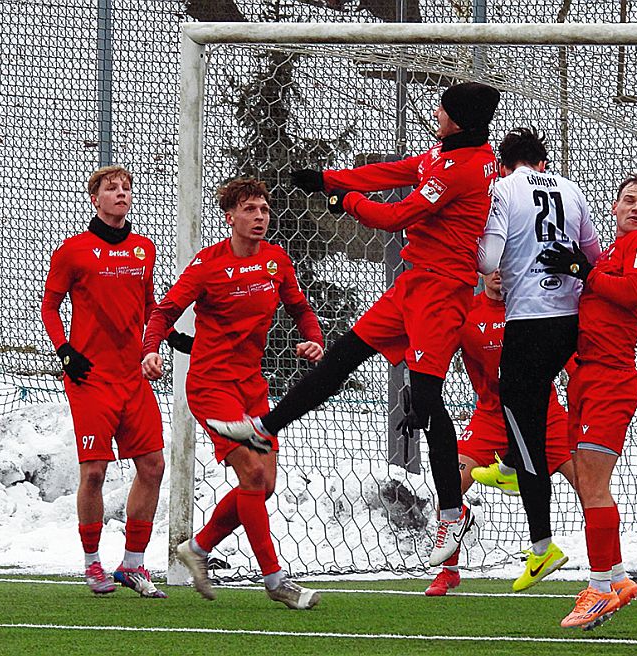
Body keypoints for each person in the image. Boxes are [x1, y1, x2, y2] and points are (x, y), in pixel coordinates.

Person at [207, 82, 500, 569]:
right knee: (342, 355)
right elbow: (391, 171)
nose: (436, 112)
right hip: (413, 285)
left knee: (427, 401)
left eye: (443, 109)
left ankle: (452, 513)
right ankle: (263, 429)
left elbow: (396, 215)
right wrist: (329, 180)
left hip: (442, 292)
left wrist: (346, 201)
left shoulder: (464, 167)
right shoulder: (448, 154)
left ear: (460, 120)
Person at [142, 178, 325, 609]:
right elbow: (165, 311)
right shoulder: (208, 265)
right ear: (230, 217)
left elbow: (299, 307)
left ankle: (198, 548)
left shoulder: (275, 262)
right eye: (249, 210)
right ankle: (276, 581)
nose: (260, 217)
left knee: (265, 484)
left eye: (264, 209)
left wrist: (313, 339)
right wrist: (150, 349)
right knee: (254, 475)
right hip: (211, 386)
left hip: (251, 387)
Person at [41, 165, 185, 598]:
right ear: (95, 199)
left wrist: (169, 337)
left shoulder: (144, 249)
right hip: (89, 378)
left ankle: (133, 565)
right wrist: (65, 350)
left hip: (132, 377)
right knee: (95, 472)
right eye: (111, 188)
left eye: (126, 187)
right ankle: (91, 563)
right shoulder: (73, 251)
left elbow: (148, 306)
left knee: (153, 466)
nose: (121, 193)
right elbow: (50, 306)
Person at [476, 127, 601, 592]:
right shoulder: (571, 189)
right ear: (543, 163)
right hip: (570, 320)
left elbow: (488, 260)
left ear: (503, 165)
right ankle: (511, 463)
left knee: (523, 422)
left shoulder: (503, 189)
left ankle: (542, 544)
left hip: (529, 320)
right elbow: (593, 255)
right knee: (523, 413)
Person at [537, 175, 637, 630]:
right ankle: (618, 578)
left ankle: (598, 588)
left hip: (612, 379)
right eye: (629, 200)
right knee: (588, 485)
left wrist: (584, 270)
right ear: (614, 207)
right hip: (586, 378)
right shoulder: (608, 252)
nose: (636, 208)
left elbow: (632, 293)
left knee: (593, 486)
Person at [425, 270, 577, 596]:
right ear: (482, 270)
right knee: (450, 484)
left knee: (590, 487)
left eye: (505, 264)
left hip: (544, 414)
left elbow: (570, 358)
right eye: (493, 265)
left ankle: (608, 574)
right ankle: (449, 571)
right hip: (490, 418)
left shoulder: (530, 307)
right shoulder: (467, 313)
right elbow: (436, 353)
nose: (498, 273)